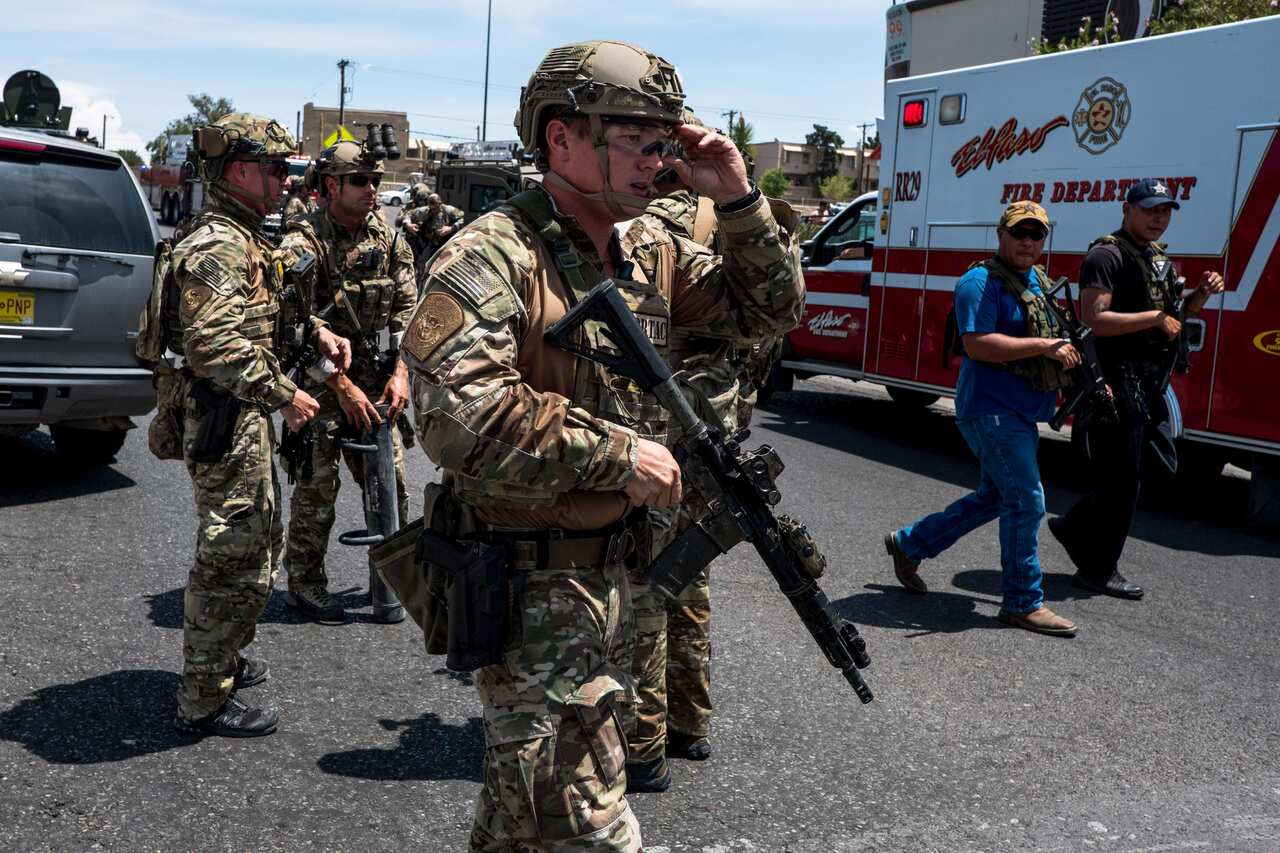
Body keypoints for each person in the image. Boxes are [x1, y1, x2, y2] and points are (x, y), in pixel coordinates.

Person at [400, 40, 803, 852]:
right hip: (532, 586)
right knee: (588, 828)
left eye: (667, 143)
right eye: (638, 141)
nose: (659, 162)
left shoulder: (647, 249)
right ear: (561, 138)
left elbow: (770, 311)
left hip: (619, 579)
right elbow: (455, 412)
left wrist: (739, 201)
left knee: (523, 824)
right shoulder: (494, 254)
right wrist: (621, 455)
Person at [619, 167, 801, 789]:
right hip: (717, 425)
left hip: (660, 430)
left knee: (645, 581)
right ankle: (689, 721)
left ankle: (642, 742)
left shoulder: (646, 228)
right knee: (688, 574)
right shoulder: (747, 224)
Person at [171, 113, 350, 736]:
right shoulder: (219, 243)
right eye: (275, 169)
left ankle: (222, 658)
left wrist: (315, 331)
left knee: (254, 543)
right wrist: (285, 394)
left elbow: (258, 318)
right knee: (232, 554)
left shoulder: (245, 237)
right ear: (239, 170)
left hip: (241, 414)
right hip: (226, 414)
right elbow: (213, 344)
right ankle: (203, 696)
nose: (285, 182)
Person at [884, 200, 1083, 637]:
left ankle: (911, 543)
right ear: (1001, 234)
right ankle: (1022, 602)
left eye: (1037, 235)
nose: (1028, 242)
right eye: (1020, 233)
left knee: (997, 496)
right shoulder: (980, 282)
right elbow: (977, 345)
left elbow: (1058, 340)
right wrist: (1043, 347)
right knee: (1028, 501)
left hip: (1023, 412)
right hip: (991, 411)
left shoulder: (1039, 282)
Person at [1048, 179, 1224, 598]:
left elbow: (1177, 312)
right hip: (1115, 380)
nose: (1158, 218)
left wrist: (1200, 293)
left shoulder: (1157, 258)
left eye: (1165, 211)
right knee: (1125, 481)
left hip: (1149, 382)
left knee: (1152, 468)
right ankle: (1098, 568)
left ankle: (1073, 526)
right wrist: (1152, 319)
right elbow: (1096, 318)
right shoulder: (1106, 255)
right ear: (1127, 209)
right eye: (1150, 210)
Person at [277, 140, 417, 624]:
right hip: (321, 381)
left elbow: (410, 313)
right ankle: (306, 585)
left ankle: (392, 588)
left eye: (375, 181)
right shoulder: (302, 240)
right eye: (360, 181)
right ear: (332, 185)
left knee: (392, 487)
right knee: (318, 489)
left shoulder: (390, 238)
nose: (372, 189)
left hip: (379, 382)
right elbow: (289, 325)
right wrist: (341, 385)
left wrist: (400, 377)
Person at [401, 191, 463, 276]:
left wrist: (451, 228)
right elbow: (408, 214)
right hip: (430, 244)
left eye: (436, 208)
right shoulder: (424, 211)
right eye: (431, 208)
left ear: (440, 204)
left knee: (443, 269)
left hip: (446, 244)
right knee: (423, 266)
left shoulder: (449, 210)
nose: (433, 210)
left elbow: (464, 218)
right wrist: (408, 224)